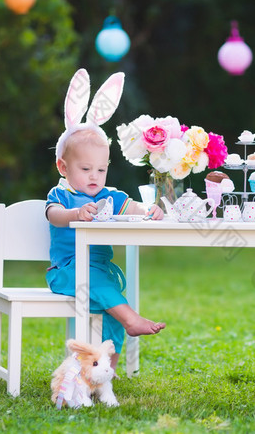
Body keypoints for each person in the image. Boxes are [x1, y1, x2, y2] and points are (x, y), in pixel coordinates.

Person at [46, 128, 166, 369]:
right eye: (86, 169)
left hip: (99, 272)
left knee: (112, 315)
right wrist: (76, 214)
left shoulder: (109, 196)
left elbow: (133, 207)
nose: (94, 176)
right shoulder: (62, 195)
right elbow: (54, 216)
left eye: (101, 170)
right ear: (63, 167)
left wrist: (149, 210)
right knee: (112, 300)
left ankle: (107, 371)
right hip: (67, 272)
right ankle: (132, 320)